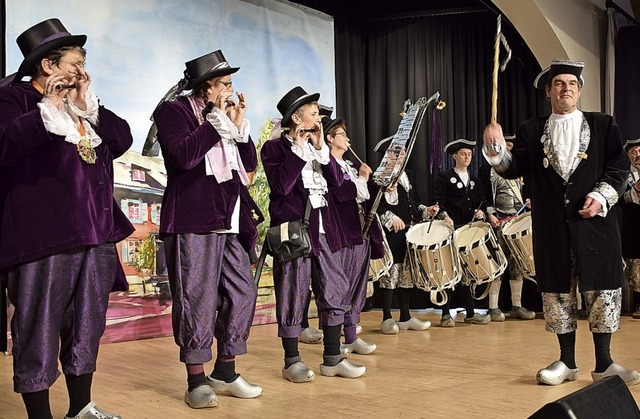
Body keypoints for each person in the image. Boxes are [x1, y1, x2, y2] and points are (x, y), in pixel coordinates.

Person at [0, 18, 134, 418]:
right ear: (48, 65)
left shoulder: (84, 108)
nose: (82, 72)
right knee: (38, 328)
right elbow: (6, 143)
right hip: (44, 237)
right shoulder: (15, 101)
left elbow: (122, 139)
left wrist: (84, 103)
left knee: (86, 327)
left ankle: (81, 408)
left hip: (96, 234)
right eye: (75, 63)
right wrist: (50, 107)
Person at [483, 59, 640, 386]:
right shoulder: (531, 128)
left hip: (595, 225)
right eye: (558, 84)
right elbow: (514, 169)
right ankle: (566, 362)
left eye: (571, 83)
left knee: (603, 292)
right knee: (557, 293)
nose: (565, 88)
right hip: (552, 226)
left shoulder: (603, 124)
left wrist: (601, 196)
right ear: (548, 91)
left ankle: (605, 364)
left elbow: (619, 167)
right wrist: (496, 150)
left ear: (579, 91)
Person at [152, 50, 264, 409]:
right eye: (226, 84)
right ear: (207, 86)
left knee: (243, 294)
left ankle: (226, 371)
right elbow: (184, 156)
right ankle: (196, 380)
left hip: (230, 219)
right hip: (192, 218)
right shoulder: (173, 112)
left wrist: (238, 123)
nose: (232, 90)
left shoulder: (222, 117)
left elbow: (248, 168)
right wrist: (214, 121)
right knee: (196, 301)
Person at [261, 86, 366, 382]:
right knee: (293, 292)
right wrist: (297, 149)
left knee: (334, 289)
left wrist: (322, 151)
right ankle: (291, 360)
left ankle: (332, 357)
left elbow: (343, 189)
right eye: (313, 111)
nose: (318, 116)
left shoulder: (320, 150)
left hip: (326, 231)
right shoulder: (275, 149)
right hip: (294, 231)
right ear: (296, 117)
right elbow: (281, 187)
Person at [322, 115, 384, 355]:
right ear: (329, 139)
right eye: (341, 134)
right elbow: (349, 192)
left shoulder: (348, 165)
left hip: (360, 231)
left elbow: (367, 194)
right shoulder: (328, 164)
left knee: (357, 284)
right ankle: (336, 342)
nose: (347, 138)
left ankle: (351, 336)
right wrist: (363, 178)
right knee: (341, 285)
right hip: (340, 232)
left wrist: (375, 181)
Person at [375, 138, 435, 335]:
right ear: (387, 156)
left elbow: (414, 203)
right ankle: (386, 318)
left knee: (406, 276)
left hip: (409, 232)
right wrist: (390, 217)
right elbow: (376, 207)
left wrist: (427, 211)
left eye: (402, 153)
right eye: (397, 153)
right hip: (391, 233)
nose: (401, 156)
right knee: (390, 274)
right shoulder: (380, 177)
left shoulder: (408, 175)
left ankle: (405, 317)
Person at [433, 139, 491, 327]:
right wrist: (444, 215)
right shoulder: (444, 176)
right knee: (449, 270)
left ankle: (471, 312)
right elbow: (438, 200)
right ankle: (445, 314)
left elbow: (480, 200)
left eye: (469, 154)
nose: (467, 157)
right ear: (455, 156)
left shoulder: (474, 180)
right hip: (451, 229)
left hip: (468, 230)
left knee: (467, 271)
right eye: (463, 154)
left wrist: (480, 211)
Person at [481, 134, 536, 322]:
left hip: (518, 222)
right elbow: (484, 195)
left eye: (511, 146)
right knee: (497, 263)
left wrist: (530, 201)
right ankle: (493, 307)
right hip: (499, 221)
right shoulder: (487, 169)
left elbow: (531, 191)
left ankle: (516, 305)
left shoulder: (522, 169)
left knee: (517, 264)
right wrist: (490, 214)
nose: (508, 150)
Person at [617, 138, 640, 318]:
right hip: (633, 230)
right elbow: (619, 200)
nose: (638, 155)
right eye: (634, 152)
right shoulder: (624, 175)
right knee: (635, 269)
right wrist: (635, 190)